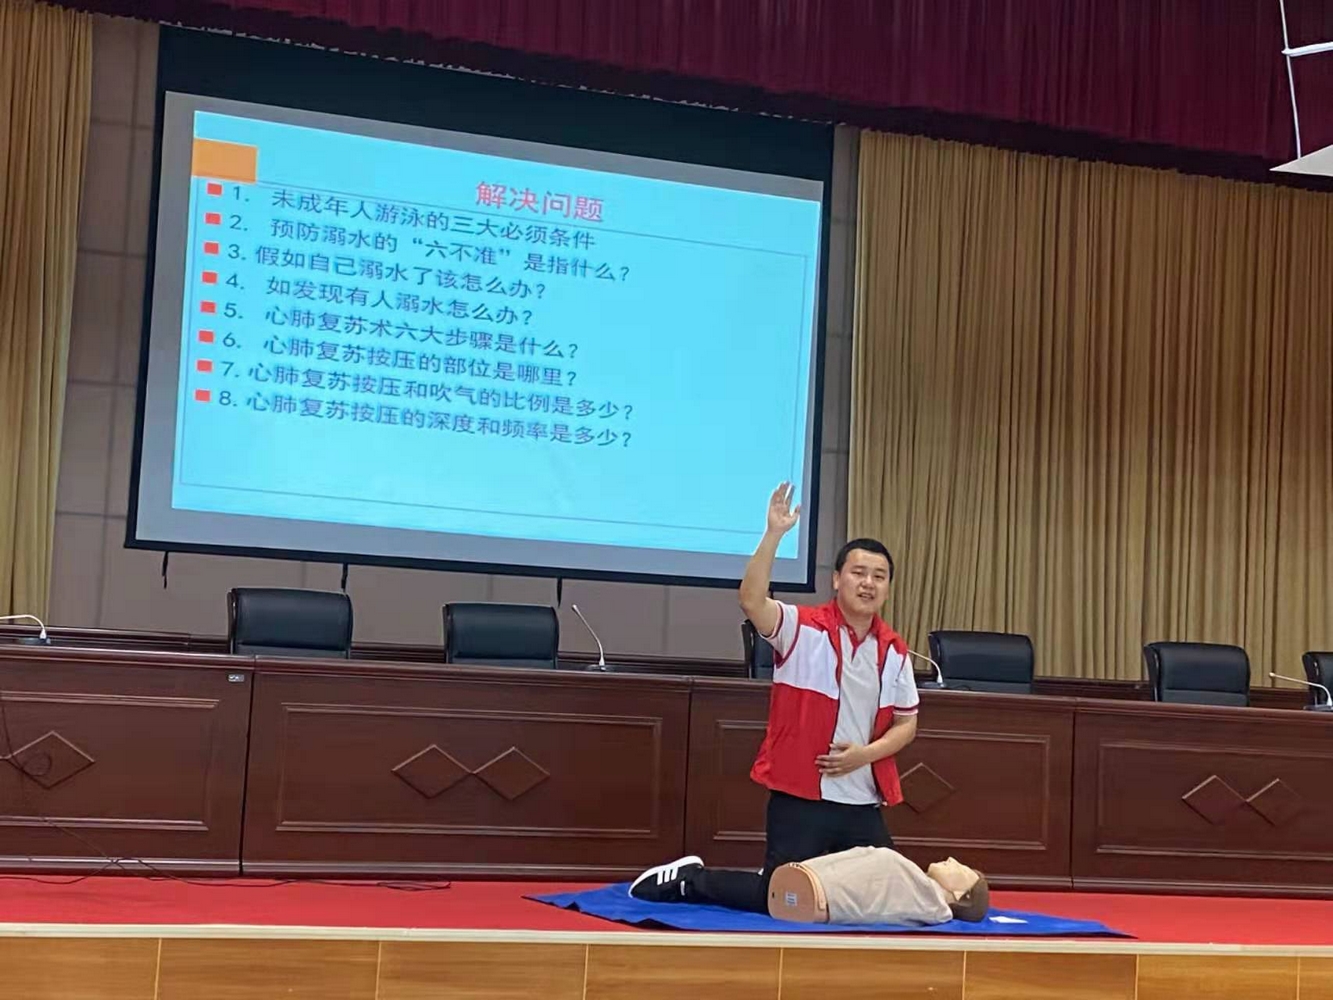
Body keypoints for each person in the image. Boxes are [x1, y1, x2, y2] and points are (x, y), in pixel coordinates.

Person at [629, 482, 919, 911]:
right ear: (836, 579)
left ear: (888, 588)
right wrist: (774, 534)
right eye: (858, 573)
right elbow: (751, 600)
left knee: (890, 895)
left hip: (862, 800)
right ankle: (691, 880)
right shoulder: (801, 627)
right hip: (801, 794)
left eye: (879, 576)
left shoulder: (894, 650)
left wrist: (865, 755)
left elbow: (907, 723)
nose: (868, 583)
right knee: (782, 899)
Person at [767, 849, 990, 926]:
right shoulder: (920, 888)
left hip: (818, 895)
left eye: (962, 869)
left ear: (960, 895)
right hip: (806, 881)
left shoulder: (932, 905)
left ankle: (817, 890)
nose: (952, 860)